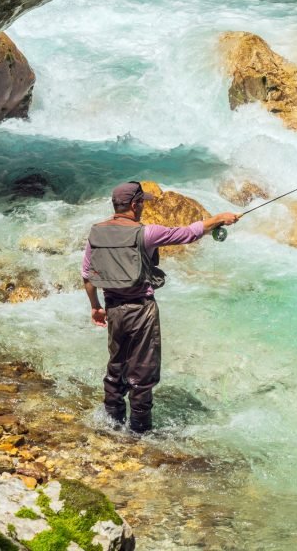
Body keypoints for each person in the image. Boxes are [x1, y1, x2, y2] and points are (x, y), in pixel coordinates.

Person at [81, 181, 240, 433]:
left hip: (113, 308)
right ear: (134, 205)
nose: (143, 207)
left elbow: (87, 276)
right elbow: (188, 233)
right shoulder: (146, 233)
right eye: (142, 202)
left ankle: (111, 426)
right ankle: (140, 434)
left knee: (117, 368)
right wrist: (218, 218)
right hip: (141, 310)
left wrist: (95, 307)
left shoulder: (96, 233)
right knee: (142, 375)